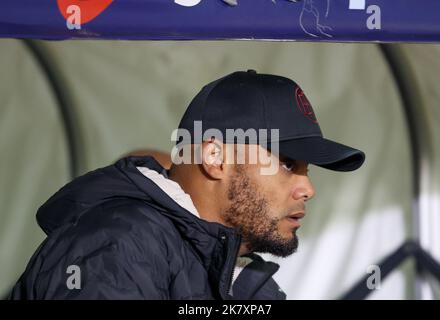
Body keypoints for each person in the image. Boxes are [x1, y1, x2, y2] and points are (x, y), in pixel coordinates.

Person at [10, 70, 365, 300]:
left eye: (306, 169)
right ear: (215, 157)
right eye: (288, 164)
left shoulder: (235, 273)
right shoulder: (119, 244)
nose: (308, 188)